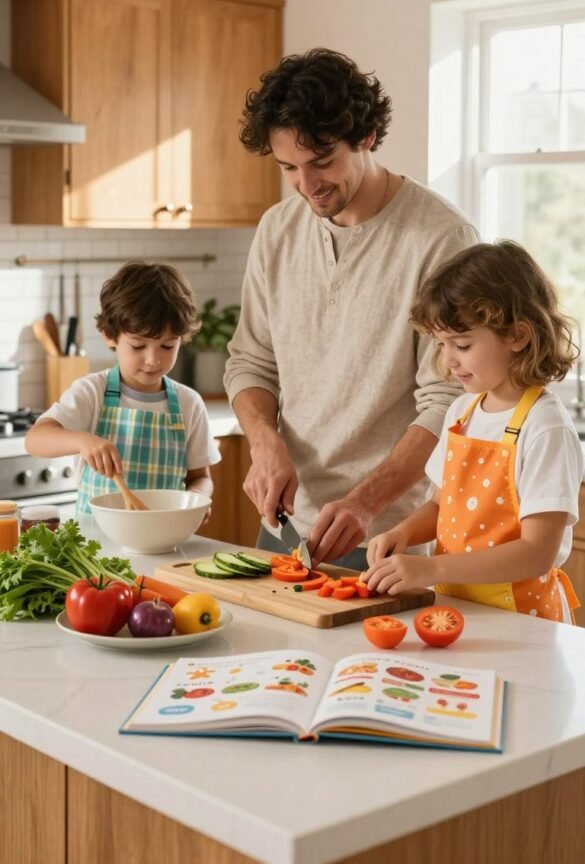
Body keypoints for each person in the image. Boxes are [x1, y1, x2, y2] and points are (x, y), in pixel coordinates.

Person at [224, 48, 478, 568]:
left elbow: (447, 401)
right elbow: (251, 361)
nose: (307, 185)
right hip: (284, 524)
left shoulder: (441, 239)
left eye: (322, 162)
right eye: (288, 168)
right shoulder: (278, 228)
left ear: (365, 137)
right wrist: (265, 442)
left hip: (388, 538)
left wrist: (367, 502)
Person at [365, 241, 583, 623]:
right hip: (459, 614)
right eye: (442, 344)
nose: (448, 360)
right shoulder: (462, 411)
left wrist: (431, 570)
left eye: (462, 344)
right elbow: (439, 505)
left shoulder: (545, 427)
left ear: (517, 336)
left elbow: (537, 552)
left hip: (525, 624)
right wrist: (402, 532)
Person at [26, 261, 220, 517]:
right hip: (96, 547)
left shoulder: (189, 403)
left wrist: (197, 498)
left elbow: (201, 477)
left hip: (163, 541)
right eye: (138, 346)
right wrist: (83, 441)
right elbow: (35, 440)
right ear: (109, 335)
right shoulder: (93, 392)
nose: (153, 360)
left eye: (167, 346)